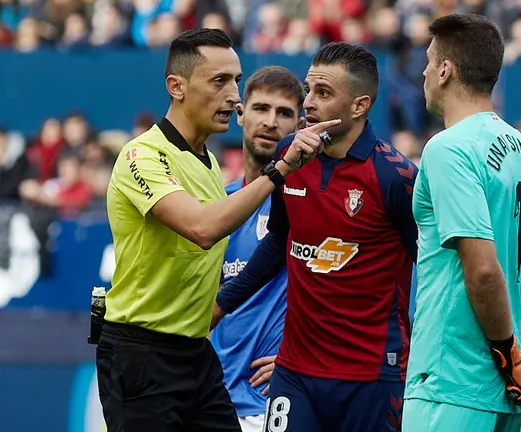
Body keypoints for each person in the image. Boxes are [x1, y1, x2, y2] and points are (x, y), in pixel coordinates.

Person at [96, 29, 339, 432]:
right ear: (176, 86)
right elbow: (202, 229)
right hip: (143, 351)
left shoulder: (208, 164)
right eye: (219, 81)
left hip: (195, 354)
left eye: (236, 82)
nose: (234, 96)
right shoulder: (143, 156)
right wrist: (280, 170)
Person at [213, 42, 419, 431]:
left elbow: (431, 265)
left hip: (371, 374)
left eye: (323, 94)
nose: (309, 102)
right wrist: (220, 307)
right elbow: (277, 242)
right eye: (309, 90)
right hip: (295, 374)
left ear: (358, 106)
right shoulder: (291, 153)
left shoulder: (395, 176)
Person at [403, 14, 521, 432]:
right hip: (505, 398)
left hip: (449, 382)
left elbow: (482, 269)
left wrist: (509, 359)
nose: (424, 71)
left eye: (429, 61)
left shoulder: (448, 149)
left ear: (445, 70)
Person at [209, 65, 305, 432]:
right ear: (239, 114)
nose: (271, 122)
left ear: (298, 128)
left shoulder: (305, 204)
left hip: (273, 402)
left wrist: (299, 356)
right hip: (214, 397)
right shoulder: (218, 206)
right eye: (261, 108)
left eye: (284, 114)